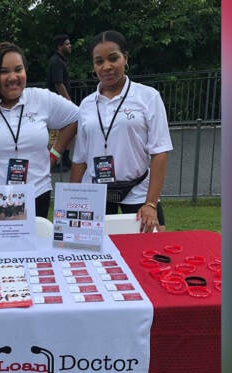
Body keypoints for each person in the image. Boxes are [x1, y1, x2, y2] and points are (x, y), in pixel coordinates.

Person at [0, 42, 78, 220]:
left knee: (37, 247)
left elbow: (76, 118)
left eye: (18, 69)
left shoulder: (40, 98)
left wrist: (55, 153)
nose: (12, 77)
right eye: (3, 71)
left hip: (37, 195)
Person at [69, 30, 172, 233]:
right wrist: (71, 201)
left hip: (137, 191)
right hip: (94, 192)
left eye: (113, 58)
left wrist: (150, 204)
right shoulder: (86, 104)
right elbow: (80, 158)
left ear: (125, 58)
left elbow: (160, 152)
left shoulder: (148, 97)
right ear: (93, 66)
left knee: (153, 250)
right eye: (99, 61)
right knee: (89, 256)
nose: (106, 66)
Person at [46, 34, 75, 172]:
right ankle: (54, 163)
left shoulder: (60, 60)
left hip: (59, 103)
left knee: (68, 129)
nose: (70, 46)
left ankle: (65, 159)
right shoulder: (56, 62)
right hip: (57, 104)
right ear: (60, 47)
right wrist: (68, 102)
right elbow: (58, 84)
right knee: (56, 133)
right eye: (67, 44)